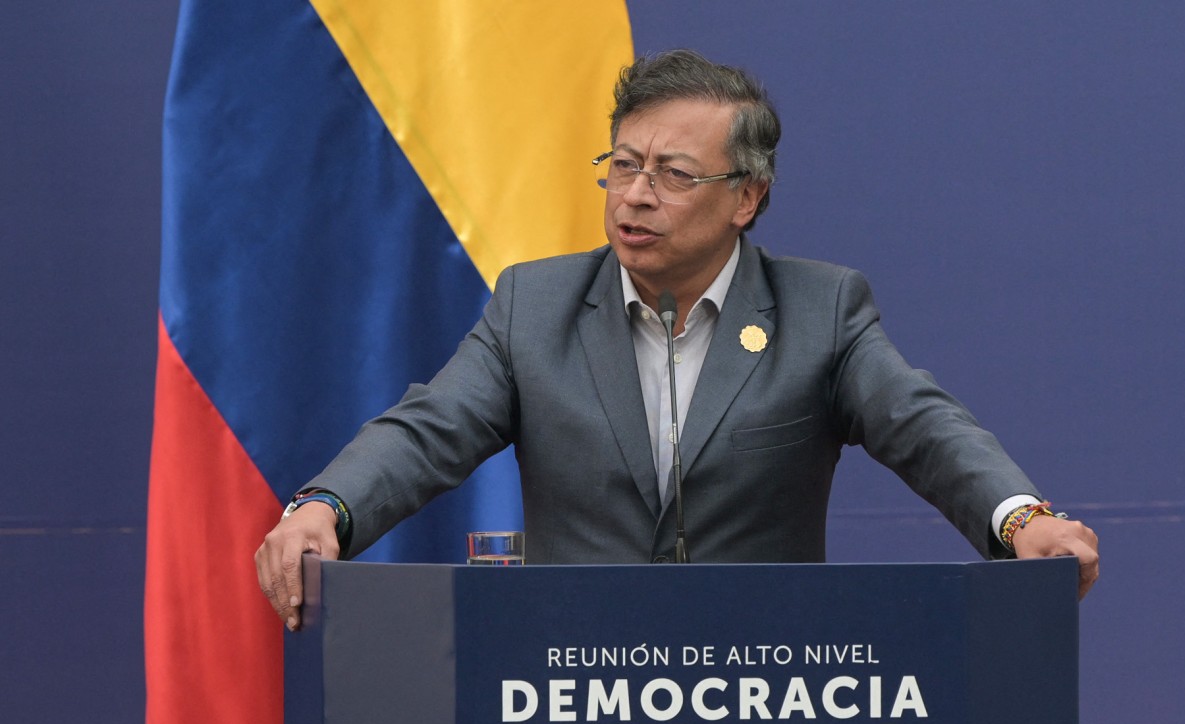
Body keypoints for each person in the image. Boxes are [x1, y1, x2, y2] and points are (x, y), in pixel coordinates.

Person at [256, 50, 1098, 630]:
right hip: (568, 693)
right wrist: (324, 507)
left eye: (674, 174)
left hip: (764, 694)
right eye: (624, 164)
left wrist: (1021, 519)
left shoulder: (821, 311)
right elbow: (428, 428)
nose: (636, 194)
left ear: (747, 197)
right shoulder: (534, 306)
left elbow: (925, 426)